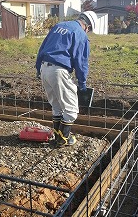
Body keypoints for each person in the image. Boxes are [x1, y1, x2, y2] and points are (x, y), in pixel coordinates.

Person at [35, 11, 98, 147]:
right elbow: (81, 62)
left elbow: (42, 48)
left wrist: (38, 69)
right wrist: (82, 84)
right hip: (59, 71)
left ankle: (58, 136)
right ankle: (63, 139)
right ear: (88, 26)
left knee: (56, 105)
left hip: (44, 68)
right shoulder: (80, 34)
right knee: (71, 109)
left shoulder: (59, 26)